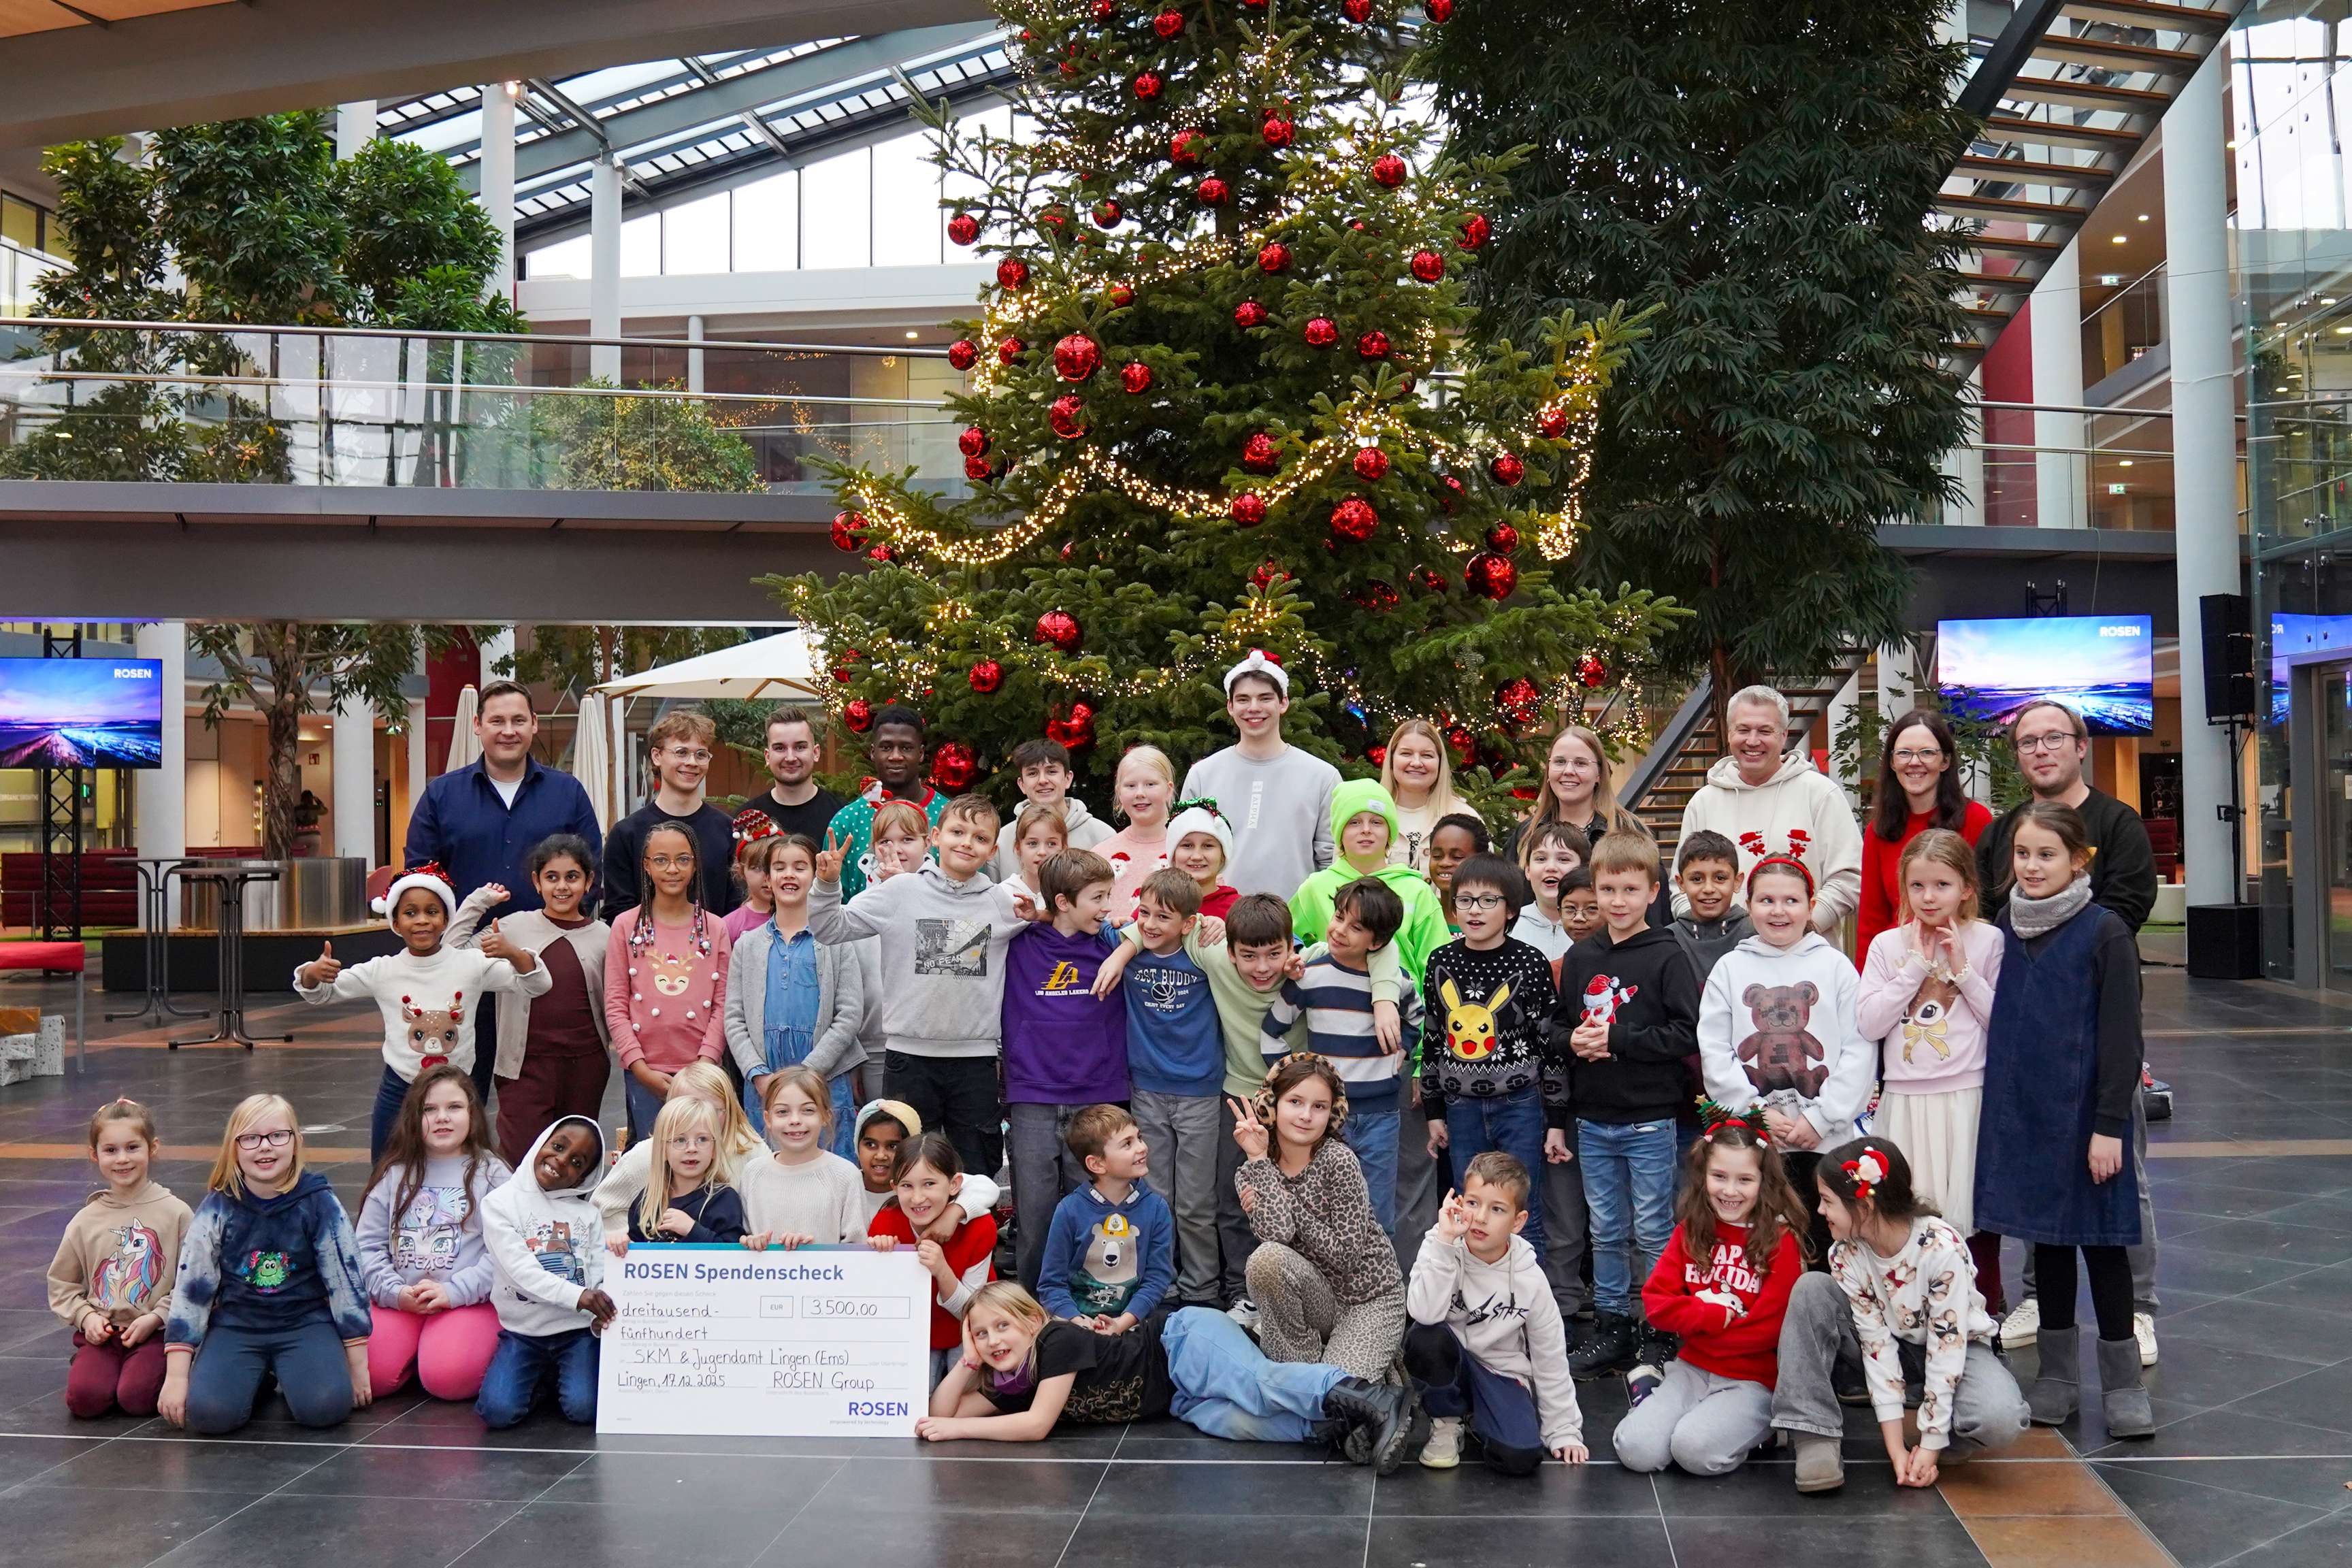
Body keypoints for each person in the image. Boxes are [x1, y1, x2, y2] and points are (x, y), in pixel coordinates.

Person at [1975, 699, 2161, 1365]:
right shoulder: (2001, 834)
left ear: (2080, 746)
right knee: (2036, 1171)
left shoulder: (2119, 824)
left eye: (2054, 738)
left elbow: (2129, 909)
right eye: (2028, 742)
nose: (2041, 750)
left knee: (2118, 1168)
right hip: (2028, 1032)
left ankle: (2137, 1310)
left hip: (2098, 1026)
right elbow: (1987, 914)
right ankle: (2038, 1299)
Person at [917, 1284, 1424, 1471]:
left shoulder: (1057, 1341)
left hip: (1178, 1342)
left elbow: (1036, 1426)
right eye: (981, 1335)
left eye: (1002, 1326)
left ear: (1032, 1322)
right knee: (1236, 1422)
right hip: (1176, 1399)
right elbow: (941, 1414)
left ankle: (1375, 1398)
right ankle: (1339, 1428)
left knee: (1258, 1384)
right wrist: (967, 1362)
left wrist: (959, 1429)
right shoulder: (1010, 1385)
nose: (992, 1341)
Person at [1186, 895, 1402, 1316]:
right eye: (1248, 956)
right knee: (1239, 1199)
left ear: (1292, 947)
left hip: (1301, 1103)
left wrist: (1384, 998)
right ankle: (1241, 1292)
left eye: (1274, 953)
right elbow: (1154, 924)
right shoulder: (1215, 953)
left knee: (1300, 1200)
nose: (1263, 967)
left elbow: (1384, 945)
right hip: (1242, 1098)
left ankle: (1319, 1293)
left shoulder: (1314, 960)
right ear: (1230, 952)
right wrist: (1200, 922)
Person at [1776, 1139, 2029, 1494]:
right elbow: (1876, 1347)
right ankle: (1814, 1436)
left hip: (1958, 1350)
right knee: (1811, 1289)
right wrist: (1896, 1450)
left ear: (1864, 1206)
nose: (1820, 1211)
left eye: (1828, 1201)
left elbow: (1947, 1349)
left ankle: (1949, 1429)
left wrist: (1930, 1444)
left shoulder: (1940, 1248)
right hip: (1892, 1349)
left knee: (1998, 1421)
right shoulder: (1845, 1253)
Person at [402, 679, 603, 1107]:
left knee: (540, 1094)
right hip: (462, 967)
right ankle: (460, 1172)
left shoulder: (567, 792)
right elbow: (419, 875)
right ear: (478, 726)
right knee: (455, 1089)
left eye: (517, 720)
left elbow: (591, 869)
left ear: (533, 725)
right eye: (497, 721)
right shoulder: (442, 794)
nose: (507, 730)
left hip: (542, 970)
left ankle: (543, 1172)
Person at [811, 794, 1030, 1179]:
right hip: (908, 1059)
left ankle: (973, 1237)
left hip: (974, 1062)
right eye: (957, 832)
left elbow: (1060, 920)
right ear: (934, 837)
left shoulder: (1004, 903)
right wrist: (827, 884)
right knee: (908, 1165)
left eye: (979, 838)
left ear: (993, 850)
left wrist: (1043, 913)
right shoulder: (899, 893)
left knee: (976, 1165)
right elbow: (830, 929)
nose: (966, 843)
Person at [1556, 830, 1701, 1379]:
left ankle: (1660, 1323)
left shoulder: (1667, 954)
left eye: (1630, 890)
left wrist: (1617, 1040)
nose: (1618, 902)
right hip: (1595, 1117)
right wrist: (1573, 1041)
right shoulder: (1580, 957)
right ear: (1595, 890)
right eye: (1608, 889)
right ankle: (1613, 1325)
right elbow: (1557, 1026)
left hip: (1650, 1119)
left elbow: (1685, 1034)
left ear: (1653, 892)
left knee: (1653, 1226)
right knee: (1606, 1228)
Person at [295, 862, 549, 1163]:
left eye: (432, 912)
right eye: (410, 913)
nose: (422, 921)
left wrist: (513, 954)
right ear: (395, 922)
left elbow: (537, 984)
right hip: (400, 1088)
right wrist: (313, 973)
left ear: (445, 920)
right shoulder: (383, 970)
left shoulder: (471, 964)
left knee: (463, 1170)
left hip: (457, 1091)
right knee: (387, 1169)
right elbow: (322, 994)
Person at [159, 1096, 373, 1435]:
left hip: (304, 1323)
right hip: (237, 1325)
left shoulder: (319, 1203)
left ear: (297, 1142)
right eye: (250, 1138)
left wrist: (358, 1366)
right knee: (209, 1415)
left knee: (326, 1408)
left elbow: (346, 1282)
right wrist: (176, 1376)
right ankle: (255, 1378)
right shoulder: (218, 1207)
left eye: (278, 1136)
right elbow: (192, 1290)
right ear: (234, 1147)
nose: (265, 1148)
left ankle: (293, 1371)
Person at [1696, 855, 1873, 1260]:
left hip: (1828, 1139)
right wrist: (1754, 1113)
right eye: (1767, 900)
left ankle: (1836, 1318)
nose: (1779, 911)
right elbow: (1716, 1051)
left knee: (1832, 1241)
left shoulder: (1835, 967)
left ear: (1811, 906)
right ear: (1749, 903)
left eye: (1791, 901)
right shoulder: (1729, 968)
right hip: (1759, 1141)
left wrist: (1823, 1117)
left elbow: (1859, 1047)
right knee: (1768, 1243)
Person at [1855, 829, 2004, 1309]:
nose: (1928, 896)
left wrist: (1962, 970)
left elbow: (1999, 1022)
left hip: (1966, 1097)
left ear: (1966, 887)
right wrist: (1914, 969)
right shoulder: (1886, 946)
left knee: (1970, 1215)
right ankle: (1911, 1312)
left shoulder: (1988, 940)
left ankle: (1980, 1311)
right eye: (1917, 886)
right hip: (1905, 1101)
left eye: (1941, 885)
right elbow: (1871, 1022)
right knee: (1906, 1213)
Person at [1613, 1109, 1803, 1477]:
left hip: (1753, 1380)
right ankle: (1658, 1392)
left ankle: (1766, 1432)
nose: (1730, 1191)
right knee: (1636, 1451)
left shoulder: (1782, 1242)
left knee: (1694, 1452)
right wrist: (1711, 1315)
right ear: (1704, 1177)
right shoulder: (1690, 1231)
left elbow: (1772, 1327)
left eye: (1745, 1179)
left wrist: (1692, 1319)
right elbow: (1656, 1306)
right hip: (1692, 1368)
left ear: (1764, 1183)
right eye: (1719, 1177)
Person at [1421, 855, 1565, 1262]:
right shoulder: (1441, 962)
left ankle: (1525, 1311)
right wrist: (1434, 1111)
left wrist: (1555, 1119)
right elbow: (1434, 1038)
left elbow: (1548, 1044)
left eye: (1488, 901)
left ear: (1511, 909)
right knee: (1471, 1211)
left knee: (1521, 1211)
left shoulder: (1529, 962)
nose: (1475, 911)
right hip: (1460, 1107)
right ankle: (1475, 1305)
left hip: (1519, 1104)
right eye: (1464, 901)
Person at [1262, 878, 1425, 1235]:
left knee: (1378, 1212)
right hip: (1327, 1117)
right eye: (1339, 917)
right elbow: (1272, 1030)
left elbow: (1417, 1016)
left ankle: (1379, 1289)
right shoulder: (1310, 977)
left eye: (1357, 927)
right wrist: (1295, 1084)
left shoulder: (1394, 982)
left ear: (1378, 941)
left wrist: (1404, 1050)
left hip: (1381, 1114)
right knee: (1324, 1208)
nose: (1340, 931)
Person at [1405, 1153, 1586, 1473]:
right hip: (1453, 1362)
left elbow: (1550, 1355)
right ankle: (1446, 1421)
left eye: (1497, 1209)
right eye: (1473, 1203)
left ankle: (1480, 1415)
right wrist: (1446, 1243)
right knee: (1425, 1337)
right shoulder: (1439, 1245)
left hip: (1500, 1373)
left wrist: (1563, 1430)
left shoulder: (1530, 1278)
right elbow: (1423, 1313)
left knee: (1519, 1457)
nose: (1481, 1218)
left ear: (1518, 1221)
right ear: (1459, 1202)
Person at [1233, 1055, 1409, 1382]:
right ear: (1272, 1106)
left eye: (1319, 1106)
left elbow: (1345, 1255)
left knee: (1339, 1396)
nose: (1305, 1115)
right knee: (1265, 1260)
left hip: (1367, 1299)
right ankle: (1301, 1369)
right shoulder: (1252, 1171)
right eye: (1295, 1102)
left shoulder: (1339, 1160)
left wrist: (1290, 1202)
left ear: (1332, 1114)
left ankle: (1381, 1362)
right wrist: (1258, 1159)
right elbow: (1278, 1234)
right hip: (1316, 1298)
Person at [1000, 848, 1130, 1289]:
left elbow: (1158, 930)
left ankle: (1093, 1306)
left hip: (1098, 1099)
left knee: (1095, 1215)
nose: (1107, 907)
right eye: (1097, 897)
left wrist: (1123, 951)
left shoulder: (1113, 943)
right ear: (1063, 902)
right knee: (1035, 1220)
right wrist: (1035, 915)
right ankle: (1034, 1311)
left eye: (1108, 896)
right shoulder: (1018, 944)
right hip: (1033, 1097)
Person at [1102, 868, 1227, 1305]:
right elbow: (1078, 918)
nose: (1151, 924)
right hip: (1147, 1091)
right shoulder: (1128, 948)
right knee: (1155, 1196)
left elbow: (1263, 943)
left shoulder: (1204, 951)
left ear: (1188, 923)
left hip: (1200, 1093)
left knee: (1195, 1202)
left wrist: (1219, 924)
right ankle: (1160, 1283)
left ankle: (1201, 1289)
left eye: (1164, 917)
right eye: (1145, 913)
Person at [446, 835, 610, 1166]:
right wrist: (479, 902)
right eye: (552, 877)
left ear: (589, 881)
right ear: (537, 882)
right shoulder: (514, 926)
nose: (562, 887)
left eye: (572, 877)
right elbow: (452, 953)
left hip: (587, 1065)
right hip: (523, 1066)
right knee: (522, 1160)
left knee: (576, 1159)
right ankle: (519, 1221)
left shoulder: (606, 936)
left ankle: (569, 1220)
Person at [354, 1066, 508, 1404]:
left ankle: (440, 1352)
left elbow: (506, 1254)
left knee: (448, 1380)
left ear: (472, 1113)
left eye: (454, 1107)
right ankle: (416, 1352)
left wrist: (454, 1292)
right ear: (413, 1117)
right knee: (372, 1375)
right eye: (429, 1109)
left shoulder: (493, 1174)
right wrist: (395, 1293)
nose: (442, 1118)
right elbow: (366, 1247)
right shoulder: (395, 1174)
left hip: (466, 1302)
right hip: (401, 1302)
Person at [1673, 685, 1863, 933]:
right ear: (1729, 733)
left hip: (1803, 957)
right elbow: (1680, 887)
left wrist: (1800, 927)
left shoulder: (1820, 794)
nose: (1753, 741)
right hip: (1721, 960)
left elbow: (1849, 877)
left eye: (1765, 731)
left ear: (1783, 735)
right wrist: (1709, 935)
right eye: (1743, 730)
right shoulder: (1703, 802)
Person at [48, 1098, 190, 1418]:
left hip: (156, 1333)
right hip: (104, 1335)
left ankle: (178, 1369)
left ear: (152, 1148)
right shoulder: (85, 1220)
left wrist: (157, 1317)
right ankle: (95, 1366)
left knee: (137, 1399)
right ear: (94, 1154)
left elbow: (193, 1281)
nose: (122, 1159)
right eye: (111, 1150)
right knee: (85, 1401)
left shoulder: (177, 1213)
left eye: (132, 1147)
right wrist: (86, 1318)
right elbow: (62, 1283)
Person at [725, 832, 865, 1148]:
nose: (789, 874)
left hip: (823, 1076)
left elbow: (850, 1014)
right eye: (779, 867)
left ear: (815, 876)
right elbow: (734, 1018)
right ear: (768, 878)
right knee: (768, 1168)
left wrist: (811, 1071)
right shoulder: (748, 945)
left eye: (800, 867)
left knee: (830, 1166)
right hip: (765, 1080)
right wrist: (758, 1074)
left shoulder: (836, 941)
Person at [476, 1116, 614, 1429]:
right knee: (497, 1413)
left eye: (577, 1162)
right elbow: (520, 1272)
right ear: (542, 1142)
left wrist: (599, 1311)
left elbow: (597, 1271)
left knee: (585, 1410)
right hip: (523, 1334)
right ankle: (541, 1382)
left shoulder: (589, 1215)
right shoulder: (499, 1204)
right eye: (558, 1146)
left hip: (576, 1334)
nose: (561, 1160)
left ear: (584, 1179)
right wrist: (579, 1296)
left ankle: (559, 1377)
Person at [604, 821, 732, 1143]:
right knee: (650, 1156)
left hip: (702, 1071)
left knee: (701, 1152)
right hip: (646, 1072)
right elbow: (616, 1003)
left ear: (695, 864)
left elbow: (724, 1003)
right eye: (661, 860)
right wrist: (638, 1066)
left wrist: (705, 1062)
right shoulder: (625, 926)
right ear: (646, 866)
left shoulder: (715, 929)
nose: (672, 869)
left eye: (682, 859)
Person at [1179, 650, 1340, 898]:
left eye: (1265, 698)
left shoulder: (1322, 777)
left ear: (1283, 703)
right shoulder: (1203, 775)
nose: (1254, 708)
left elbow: (1332, 861)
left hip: (1295, 926)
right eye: (1243, 699)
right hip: (1217, 923)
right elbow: (1183, 855)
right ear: (1230, 707)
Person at [866, 1132, 998, 1386]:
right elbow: (879, 1307)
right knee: (916, 1395)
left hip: (967, 1329)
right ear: (894, 1187)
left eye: (929, 1184)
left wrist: (941, 1269)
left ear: (954, 1185)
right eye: (907, 1186)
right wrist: (878, 1258)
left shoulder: (980, 1226)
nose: (917, 1198)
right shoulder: (886, 1222)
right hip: (915, 1333)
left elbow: (971, 1312)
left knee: (971, 1394)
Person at [1290, 779, 1453, 982]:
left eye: (1377, 822)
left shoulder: (1417, 890)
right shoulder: (1314, 889)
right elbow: (1288, 947)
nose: (1366, 830)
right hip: (1333, 1006)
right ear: (1339, 832)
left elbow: (1438, 963)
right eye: (1354, 822)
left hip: (1403, 1008)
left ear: (1390, 832)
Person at [1859, 708, 1991, 954]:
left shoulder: (1976, 820)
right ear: (1891, 762)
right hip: (1897, 962)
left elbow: (1986, 907)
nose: (1914, 762)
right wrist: (1865, 984)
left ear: (1946, 761)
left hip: (1962, 958)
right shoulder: (1878, 831)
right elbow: (1871, 919)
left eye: (1927, 753)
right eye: (1904, 753)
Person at [1036, 1103, 1176, 1331]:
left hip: (1133, 1324)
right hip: (1077, 1324)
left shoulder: (1156, 1208)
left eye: (1139, 1138)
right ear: (1097, 1164)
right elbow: (1051, 1284)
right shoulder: (1069, 1210)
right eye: (1127, 1144)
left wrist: (1122, 1323)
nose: (1142, 1148)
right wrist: (1077, 1321)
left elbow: (1157, 1280)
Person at [591, 1062, 764, 1246]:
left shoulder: (752, 1152)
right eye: (685, 1107)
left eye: (711, 1110)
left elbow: (765, 1215)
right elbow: (604, 1208)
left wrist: (755, 1240)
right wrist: (624, 1240)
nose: (696, 1117)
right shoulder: (645, 1155)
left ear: (729, 1109)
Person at [600, 708, 739, 919]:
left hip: (717, 948)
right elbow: (618, 913)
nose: (692, 762)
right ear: (657, 756)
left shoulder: (729, 830)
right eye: (682, 752)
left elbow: (737, 909)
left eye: (701, 754)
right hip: (646, 950)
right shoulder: (626, 834)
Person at [825, 704, 945, 903]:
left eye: (906, 748)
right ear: (873, 752)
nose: (896, 756)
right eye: (886, 747)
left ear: (921, 753)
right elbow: (834, 904)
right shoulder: (846, 822)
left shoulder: (947, 816)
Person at [738, 1067, 868, 1247]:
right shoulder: (753, 1173)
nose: (795, 1120)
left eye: (807, 1110)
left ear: (825, 1116)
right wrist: (751, 1243)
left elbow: (857, 1248)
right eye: (783, 1112)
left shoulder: (846, 1175)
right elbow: (745, 1236)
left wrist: (812, 1254)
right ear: (768, 1119)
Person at [848, 1098, 1004, 1228]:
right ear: (857, 1146)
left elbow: (987, 1187)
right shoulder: (845, 1185)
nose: (881, 1155)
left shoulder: (930, 1181)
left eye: (893, 1146)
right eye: (870, 1145)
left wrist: (954, 1213)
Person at [1502, 725, 1642, 863]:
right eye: (1560, 762)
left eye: (1580, 763)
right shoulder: (1526, 834)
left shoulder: (1627, 829)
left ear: (1599, 774)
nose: (1568, 771)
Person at [623, 1097, 747, 1247]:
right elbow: (635, 1252)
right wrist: (623, 1244)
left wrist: (692, 1230)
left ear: (715, 1149)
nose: (692, 1148)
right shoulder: (647, 1200)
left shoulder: (724, 1200)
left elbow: (733, 1258)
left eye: (702, 1139)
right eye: (680, 1140)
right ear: (663, 1150)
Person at [992, 737, 1113, 877]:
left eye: (1051, 771)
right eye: (1033, 773)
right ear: (1022, 785)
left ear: (1068, 779)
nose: (1043, 780)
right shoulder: (1002, 840)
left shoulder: (1102, 836)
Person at [1379, 718, 1482, 873]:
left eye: (1427, 755)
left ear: (1440, 763)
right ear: (1391, 760)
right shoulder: (1367, 816)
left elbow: (1484, 883)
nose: (1416, 763)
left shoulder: (1465, 818)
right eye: (1406, 753)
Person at [739, 704, 845, 843]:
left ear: (816, 753)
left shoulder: (842, 815)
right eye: (780, 748)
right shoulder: (748, 820)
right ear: (767, 756)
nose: (790, 758)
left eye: (800, 747)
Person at [1096, 745, 1177, 920]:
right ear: (1119, 792)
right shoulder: (1100, 855)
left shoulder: (1187, 851)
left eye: (1150, 784)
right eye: (1131, 786)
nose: (1140, 793)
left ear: (1169, 789)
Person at [1667, 830, 1752, 984]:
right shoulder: (1669, 940)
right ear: (1681, 883)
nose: (1708, 889)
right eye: (1697, 879)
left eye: (1720, 878)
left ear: (1737, 882)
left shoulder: (1754, 935)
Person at [1511, 820, 1590, 961]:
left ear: (1583, 869)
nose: (1551, 867)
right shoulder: (1509, 925)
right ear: (1528, 870)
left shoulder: (1595, 926)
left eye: (1564, 859)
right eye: (1541, 859)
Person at [1165, 802, 1239, 919]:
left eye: (1208, 846)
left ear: (1223, 856)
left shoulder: (1238, 910)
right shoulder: (1155, 901)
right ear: (1173, 855)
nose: (1197, 857)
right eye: (1187, 846)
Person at [723, 808, 782, 942]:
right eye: (757, 868)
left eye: (777, 867)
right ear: (741, 871)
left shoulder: (804, 918)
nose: (768, 877)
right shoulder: (730, 926)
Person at [999, 804, 1069, 904]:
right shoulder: (1003, 893)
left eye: (1051, 844)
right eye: (1033, 843)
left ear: (1064, 848)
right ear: (1018, 848)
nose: (1042, 852)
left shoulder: (1071, 893)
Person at [1427, 814, 1490, 925]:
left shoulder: (1492, 921)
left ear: (1480, 859)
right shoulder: (1422, 916)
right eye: (1437, 856)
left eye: (1457, 857)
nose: (1444, 863)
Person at [1559, 870, 1601, 944]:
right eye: (1571, 908)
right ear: (1560, 912)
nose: (1578, 918)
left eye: (1592, 908)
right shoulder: (1569, 955)